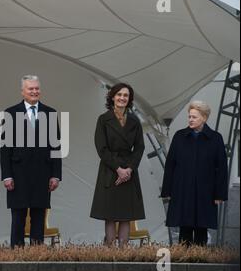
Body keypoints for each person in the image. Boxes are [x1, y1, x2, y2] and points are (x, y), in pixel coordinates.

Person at [0, 75, 62, 248]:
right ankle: (17, 256)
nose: (34, 91)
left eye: (37, 88)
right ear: (22, 91)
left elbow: (56, 146)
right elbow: (5, 148)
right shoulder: (10, 113)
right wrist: (6, 176)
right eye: (30, 89)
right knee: (18, 217)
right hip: (18, 174)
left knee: (38, 216)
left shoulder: (50, 113)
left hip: (43, 173)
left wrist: (56, 175)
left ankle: (37, 256)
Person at [161, 100, 228, 246]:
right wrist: (167, 189)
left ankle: (200, 259)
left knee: (201, 227)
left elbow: (221, 168)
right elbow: (170, 165)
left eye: (194, 117)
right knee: (184, 226)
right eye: (189, 116)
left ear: (204, 118)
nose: (190, 119)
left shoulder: (215, 138)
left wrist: (219, 194)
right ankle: (184, 259)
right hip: (182, 189)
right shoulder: (179, 137)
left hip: (205, 191)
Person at [90, 83, 145, 247]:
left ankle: (123, 253)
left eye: (125, 95)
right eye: (119, 94)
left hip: (129, 171)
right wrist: (118, 169)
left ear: (129, 99)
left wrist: (129, 169)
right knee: (110, 215)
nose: (122, 98)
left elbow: (140, 147)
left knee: (125, 215)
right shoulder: (103, 119)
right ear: (112, 97)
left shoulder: (135, 121)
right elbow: (101, 148)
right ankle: (110, 252)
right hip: (110, 171)